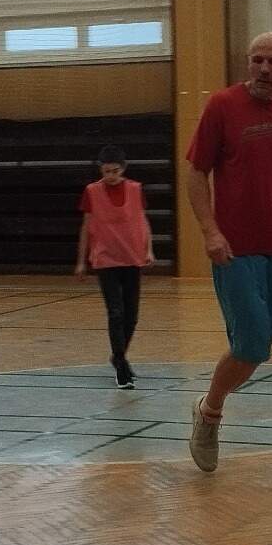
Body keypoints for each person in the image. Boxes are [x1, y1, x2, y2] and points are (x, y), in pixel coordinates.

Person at [183, 32, 272, 500]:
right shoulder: (221, 107)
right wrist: (210, 230)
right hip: (238, 252)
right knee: (250, 350)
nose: (264, 68)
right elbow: (195, 173)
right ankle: (209, 410)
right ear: (248, 63)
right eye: (257, 60)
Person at [75, 144, 153, 389]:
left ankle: (118, 356)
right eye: (106, 171)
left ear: (123, 168)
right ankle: (121, 367)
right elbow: (86, 227)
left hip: (132, 258)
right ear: (101, 169)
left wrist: (149, 249)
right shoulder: (92, 191)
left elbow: (143, 221)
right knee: (116, 312)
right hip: (106, 260)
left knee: (132, 316)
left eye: (115, 171)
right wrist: (81, 262)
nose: (111, 176)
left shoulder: (135, 189)